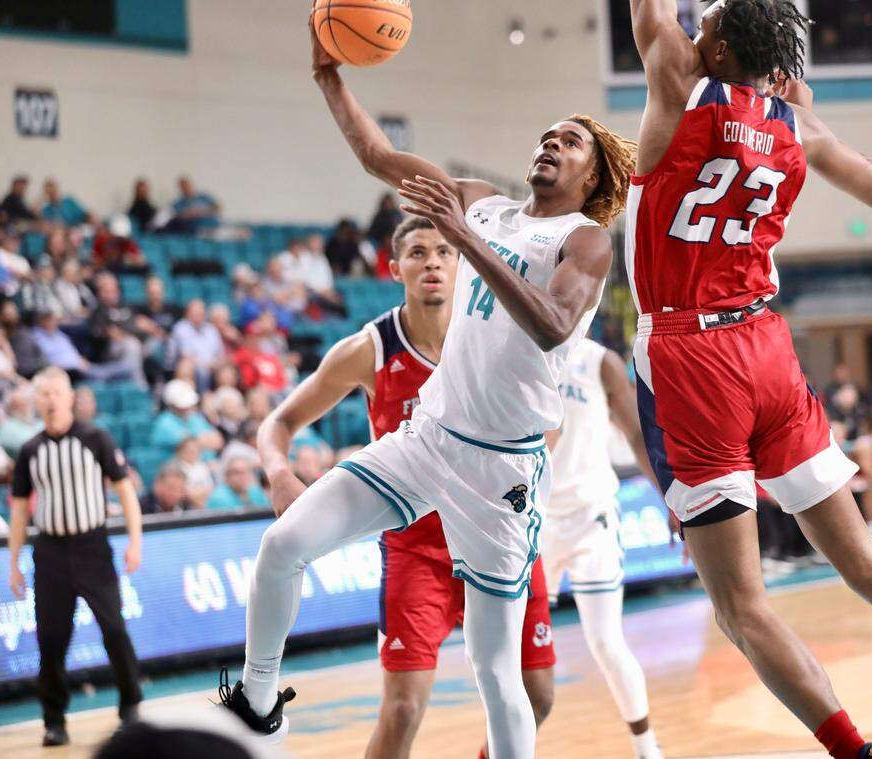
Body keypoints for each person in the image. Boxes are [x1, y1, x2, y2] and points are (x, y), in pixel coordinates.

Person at [216, 20, 634, 756]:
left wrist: (467, 240)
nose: (548, 143)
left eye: (568, 141)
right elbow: (377, 155)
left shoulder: (583, 239)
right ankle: (255, 699)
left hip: (500, 471)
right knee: (283, 544)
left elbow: (552, 326)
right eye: (545, 134)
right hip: (424, 440)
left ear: (594, 175)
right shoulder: (482, 202)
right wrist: (328, 77)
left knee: (496, 672)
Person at [626, 3, 872, 759]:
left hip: (691, 353)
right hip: (768, 348)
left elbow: (649, 13)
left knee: (741, 607)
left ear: (710, 42)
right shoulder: (795, 126)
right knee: (868, 560)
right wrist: (803, 110)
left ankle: (859, 753)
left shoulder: (679, 87)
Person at [249, 217, 560, 758]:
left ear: (463, 264)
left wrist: (517, 482)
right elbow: (277, 422)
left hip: (498, 535)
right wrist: (280, 472)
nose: (434, 262)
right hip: (417, 551)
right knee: (402, 710)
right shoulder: (369, 348)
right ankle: (256, 697)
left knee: (535, 698)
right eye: (418, 253)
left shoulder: (496, 335)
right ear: (396, 270)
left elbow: (548, 420)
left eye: (444, 251)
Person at [7, 367, 144, 747]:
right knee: (51, 640)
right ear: (36, 401)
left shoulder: (95, 438)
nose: (50, 399)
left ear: (69, 397)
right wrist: (13, 561)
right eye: (43, 393)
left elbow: (126, 492)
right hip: (49, 551)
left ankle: (131, 707)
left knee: (114, 629)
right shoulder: (30, 450)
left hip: (92, 547)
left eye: (56, 392)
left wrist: (135, 541)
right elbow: (19, 510)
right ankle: (54, 721)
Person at [543, 338, 662, 758]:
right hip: (533, 521)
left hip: (590, 516)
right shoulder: (518, 348)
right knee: (515, 651)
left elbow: (634, 433)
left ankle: (647, 747)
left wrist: (668, 498)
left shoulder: (600, 361)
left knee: (606, 642)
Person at [151, 379, 224, 458]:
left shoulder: (194, 417)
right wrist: (203, 440)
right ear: (172, 406)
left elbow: (218, 441)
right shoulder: (164, 422)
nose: (188, 408)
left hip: (202, 466)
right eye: (183, 406)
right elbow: (188, 444)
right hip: (174, 467)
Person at [168, 299, 226, 390]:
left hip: (212, 366)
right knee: (187, 367)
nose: (197, 315)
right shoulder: (181, 328)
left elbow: (221, 354)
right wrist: (206, 364)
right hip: (192, 365)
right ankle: (192, 398)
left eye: (200, 312)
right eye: (194, 312)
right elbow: (186, 355)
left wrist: (217, 363)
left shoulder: (211, 329)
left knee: (226, 372)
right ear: (187, 313)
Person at [206, 455, 270, 510]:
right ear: (227, 477)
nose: (242, 476)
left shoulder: (256, 491)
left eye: (246, 471)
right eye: (237, 472)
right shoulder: (219, 498)